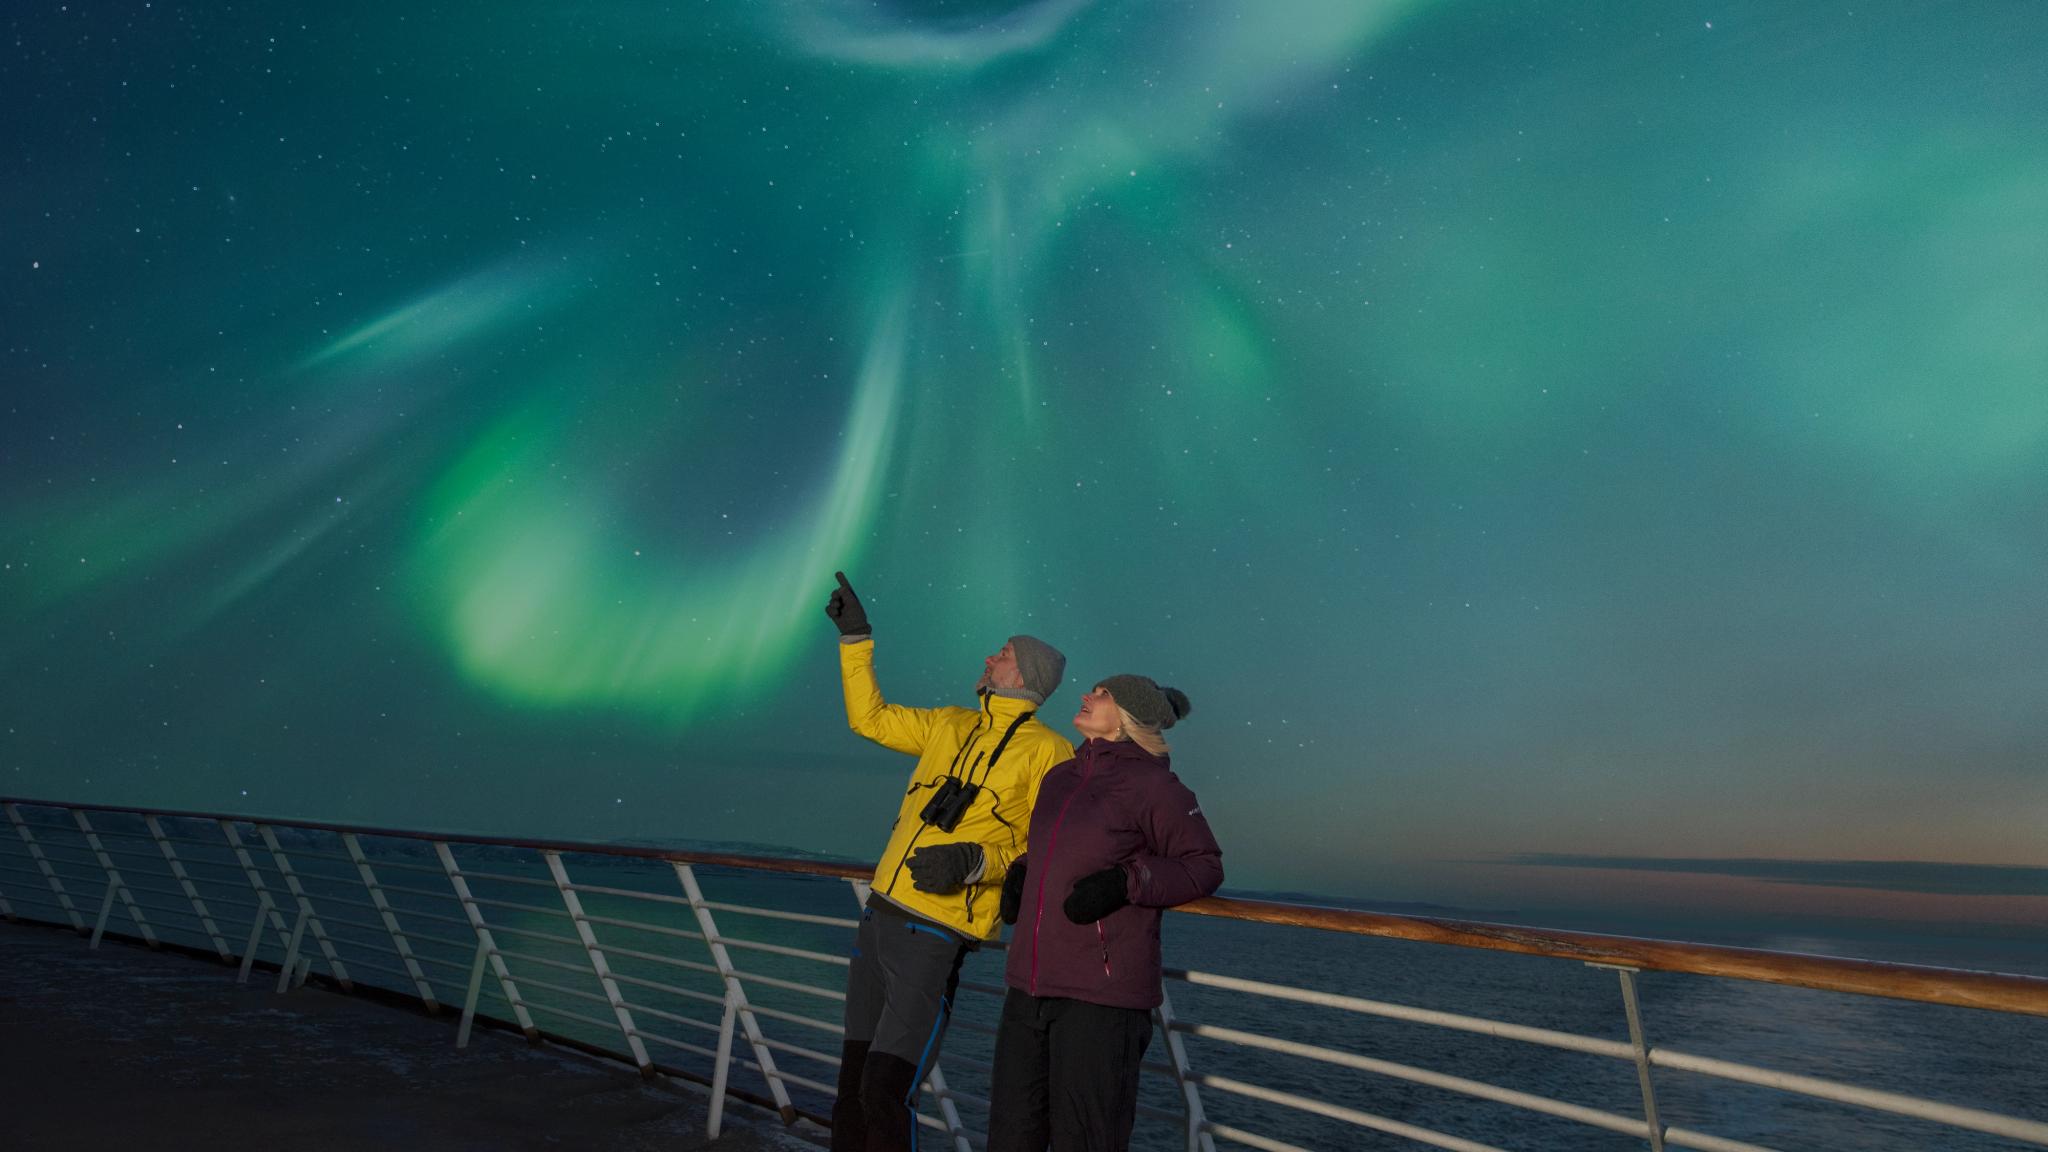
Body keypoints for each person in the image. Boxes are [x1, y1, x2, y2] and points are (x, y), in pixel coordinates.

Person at [824, 571, 1076, 1152]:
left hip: (933, 933)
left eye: (1004, 654)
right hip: (880, 915)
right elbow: (871, 719)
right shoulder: (950, 724)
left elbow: (1050, 847)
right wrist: (855, 638)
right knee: (851, 1087)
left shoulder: (1050, 752)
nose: (990, 656)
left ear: (1026, 677)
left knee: (886, 1090)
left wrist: (976, 861)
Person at [987, 674, 1222, 1152]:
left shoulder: (1155, 785)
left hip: (1101, 998)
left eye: (1102, 694)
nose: (1086, 697)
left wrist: (1127, 881)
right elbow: (1061, 851)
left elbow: (1203, 866)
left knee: (1087, 1141)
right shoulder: (1062, 777)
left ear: (1127, 719)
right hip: (1029, 986)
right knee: (1011, 1137)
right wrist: (1022, 871)